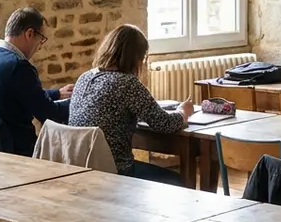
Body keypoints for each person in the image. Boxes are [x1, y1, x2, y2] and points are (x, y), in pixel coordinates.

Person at [65, 24, 194, 184]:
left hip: (80, 169)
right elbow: (164, 124)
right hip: (115, 171)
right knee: (180, 181)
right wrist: (183, 112)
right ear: (136, 57)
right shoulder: (127, 83)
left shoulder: (85, 77)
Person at [0, 7, 74, 156]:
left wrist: (57, 94)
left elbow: (12, 95)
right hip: (11, 152)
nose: (40, 47)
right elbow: (50, 114)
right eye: (41, 39)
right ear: (29, 34)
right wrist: (82, 100)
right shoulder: (19, 66)